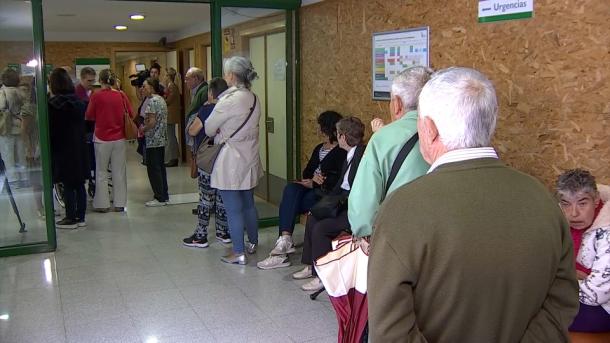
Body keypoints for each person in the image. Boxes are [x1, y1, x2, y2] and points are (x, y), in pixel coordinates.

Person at [368, 67, 579, 342]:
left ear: (428, 130)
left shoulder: (402, 209)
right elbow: (562, 300)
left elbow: (389, 333)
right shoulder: (543, 198)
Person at [348, 66, 432, 238]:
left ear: (397, 104)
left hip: (397, 239)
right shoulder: (452, 132)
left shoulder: (382, 138)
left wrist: (366, 236)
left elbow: (362, 209)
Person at [256, 111, 346, 270]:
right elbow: (307, 171)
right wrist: (310, 180)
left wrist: (317, 183)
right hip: (311, 189)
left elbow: (339, 180)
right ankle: (285, 240)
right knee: (291, 189)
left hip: (326, 196)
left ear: (329, 129)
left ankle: (282, 250)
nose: (318, 131)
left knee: (289, 204)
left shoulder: (341, 151)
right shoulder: (319, 148)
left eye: (321, 127)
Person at [294, 116, 366, 292]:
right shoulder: (351, 154)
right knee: (313, 218)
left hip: (353, 208)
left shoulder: (360, 156)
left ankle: (322, 276)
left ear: (342, 137)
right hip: (342, 201)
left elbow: (356, 190)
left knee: (321, 228)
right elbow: (340, 185)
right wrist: (322, 207)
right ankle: (312, 267)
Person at [204, 56, 262, 265]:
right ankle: (253, 243)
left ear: (230, 75)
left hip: (231, 159)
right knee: (248, 203)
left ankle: (238, 252)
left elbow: (209, 128)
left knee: (232, 207)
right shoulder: (253, 98)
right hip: (250, 156)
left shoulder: (228, 101)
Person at [556, 169, 610, 335]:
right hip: (578, 294)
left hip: (603, 308)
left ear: (596, 201)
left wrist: (561, 279)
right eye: (566, 203)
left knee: (534, 315)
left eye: (582, 203)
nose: (573, 213)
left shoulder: (607, 233)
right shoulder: (560, 220)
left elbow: (595, 295)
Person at [182, 77, 230, 247]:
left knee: (205, 197)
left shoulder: (208, 109)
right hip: (225, 160)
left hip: (208, 160)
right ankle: (223, 232)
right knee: (222, 197)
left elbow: (193, 130)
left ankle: (201, 235)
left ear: (211, 93)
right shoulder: (231, 108)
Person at [85, 69, 134, 212]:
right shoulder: (121, 95)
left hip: (101, 138)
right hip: (119, 138)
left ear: (100, 81)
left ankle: (102, 204)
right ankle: (120, 203)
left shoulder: (96, 96)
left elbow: (89, 115)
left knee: (101, 172)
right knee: (119, 171)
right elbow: (131, 113)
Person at [48, 68, 89, 229]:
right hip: (79, 148)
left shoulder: (53, 105)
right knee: (79, 184)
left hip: (63, 149)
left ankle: (70, 217)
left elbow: (52, 131)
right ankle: (81, 217)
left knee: (68, 184)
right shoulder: (79, 102)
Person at [142, 78, 169, 207]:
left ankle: (158, 197)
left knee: (153, 169)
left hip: (153, 139)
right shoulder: (162, 100)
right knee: (161, 168)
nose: (143, 89)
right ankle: (164, 195)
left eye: (145, 87)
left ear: (152, 87)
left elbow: (151, 122)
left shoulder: (152, 102)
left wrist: (143, 129)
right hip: (161, 138)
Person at [0, 67, 26, 187]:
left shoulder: (3, 92)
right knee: (21, 154)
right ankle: (24, 177)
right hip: (21, 125)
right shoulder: (21, 92)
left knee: (8, 155)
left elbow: (1, 107)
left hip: (7, 128)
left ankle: (13, 180)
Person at [164, 67, 181, 167]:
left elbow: (168, 100)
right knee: (170, 137)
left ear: (169, 76)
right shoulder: (170, 86)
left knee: (171, 137)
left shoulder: (172, 87)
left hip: (170, 115)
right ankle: (172, 157)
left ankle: (173, 158)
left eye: (166, 75)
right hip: (169, 115)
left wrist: (161, 99)